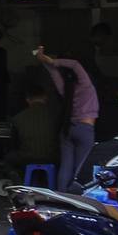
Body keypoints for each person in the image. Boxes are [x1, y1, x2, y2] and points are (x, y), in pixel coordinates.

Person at [38, 48, 98, 190]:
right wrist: (52, 61)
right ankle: (75, 199)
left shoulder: (66, 88)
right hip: (85, 129)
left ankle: (61, 197)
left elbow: (53, 72)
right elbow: (75, 64)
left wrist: (45, 61)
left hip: (68, 128)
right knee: (80, 168)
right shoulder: (86, 85)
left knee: (65, 166)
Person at [5, 82, 58, 177]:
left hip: (26, 158)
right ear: (45, 97)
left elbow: (13, 143)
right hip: (51, 158)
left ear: (27, 100)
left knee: (8, 158)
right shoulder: (55, 116)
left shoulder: (18, 118)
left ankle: (20, 183)